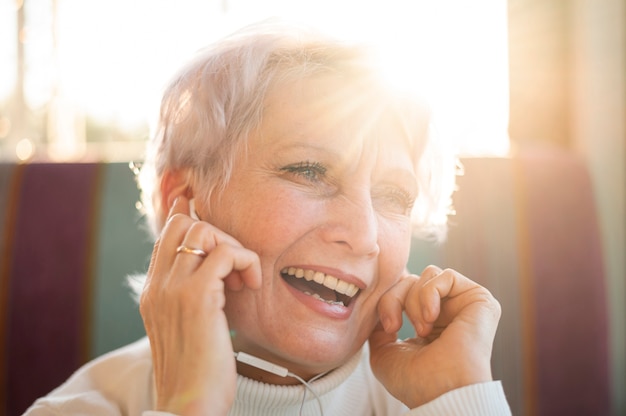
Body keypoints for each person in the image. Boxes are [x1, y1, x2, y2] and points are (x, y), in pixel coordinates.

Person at [25, 21, 511, 415]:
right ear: (186, 198)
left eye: (393, 195)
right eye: (308, 171)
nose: (364, 236)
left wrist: (460, 399)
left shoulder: (434, 403)